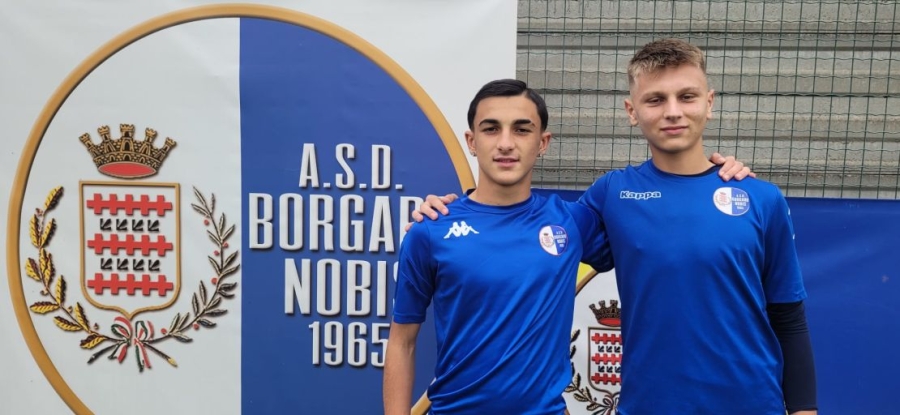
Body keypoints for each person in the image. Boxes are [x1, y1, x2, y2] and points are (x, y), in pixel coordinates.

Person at [416, 39, 817, 414]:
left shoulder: (761, 199)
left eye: (687, 96)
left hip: (751, 403)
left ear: (709, 103)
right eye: (655, 99)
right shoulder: (613, 194)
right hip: (648, 405)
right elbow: (517, 225)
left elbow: (788, 317)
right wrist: (454, 211)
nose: (672, 111)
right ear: (631, 111)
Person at [383, 79, 615, 415]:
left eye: (521, 130)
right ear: (472, 141)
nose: (506, 143)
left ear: (542, 142)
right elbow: (401, 342)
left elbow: (654, 246)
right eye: (491, 129)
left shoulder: (572, 222)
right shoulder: (430, 230)